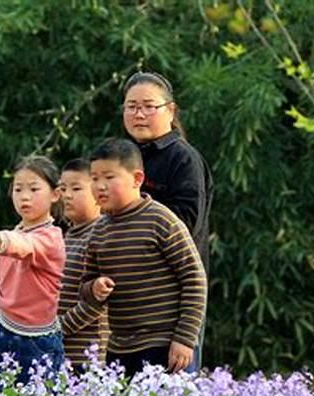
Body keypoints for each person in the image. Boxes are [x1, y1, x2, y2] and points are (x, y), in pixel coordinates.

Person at [80, 138, 207, 378]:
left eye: (109, 177)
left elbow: (195, 279)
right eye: (94, 178)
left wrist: (185, 338)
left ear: (137, 179)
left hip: (165, 344)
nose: (100, 186)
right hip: (119, 348)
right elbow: (86, 284)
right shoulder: (98, 230)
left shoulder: (161, 220)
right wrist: (94, 288)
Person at [121, 71, 213, 372]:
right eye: (132, 106)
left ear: (170, 111)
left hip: (172, 307)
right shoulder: (121, 159)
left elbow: (187, 221)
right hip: (129, 309)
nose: (139, 114)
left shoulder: (183, 159)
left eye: (149, 106)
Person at [0, 156, 65, 385]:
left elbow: (20, 245)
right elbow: (14, 240)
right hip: (2, 328)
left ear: (55, 194)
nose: (24, 196)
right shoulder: (17, 232)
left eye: (34, 189)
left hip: (37, 340)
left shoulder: (51, 237)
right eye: (18, 189)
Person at [57, 158, 109, 371]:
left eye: (76, 188)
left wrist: (57, 329)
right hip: (61, 352)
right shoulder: (66, 236)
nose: (67, 195)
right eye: (63, 188)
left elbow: (99, 301)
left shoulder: (103, 233)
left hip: (88, 355)